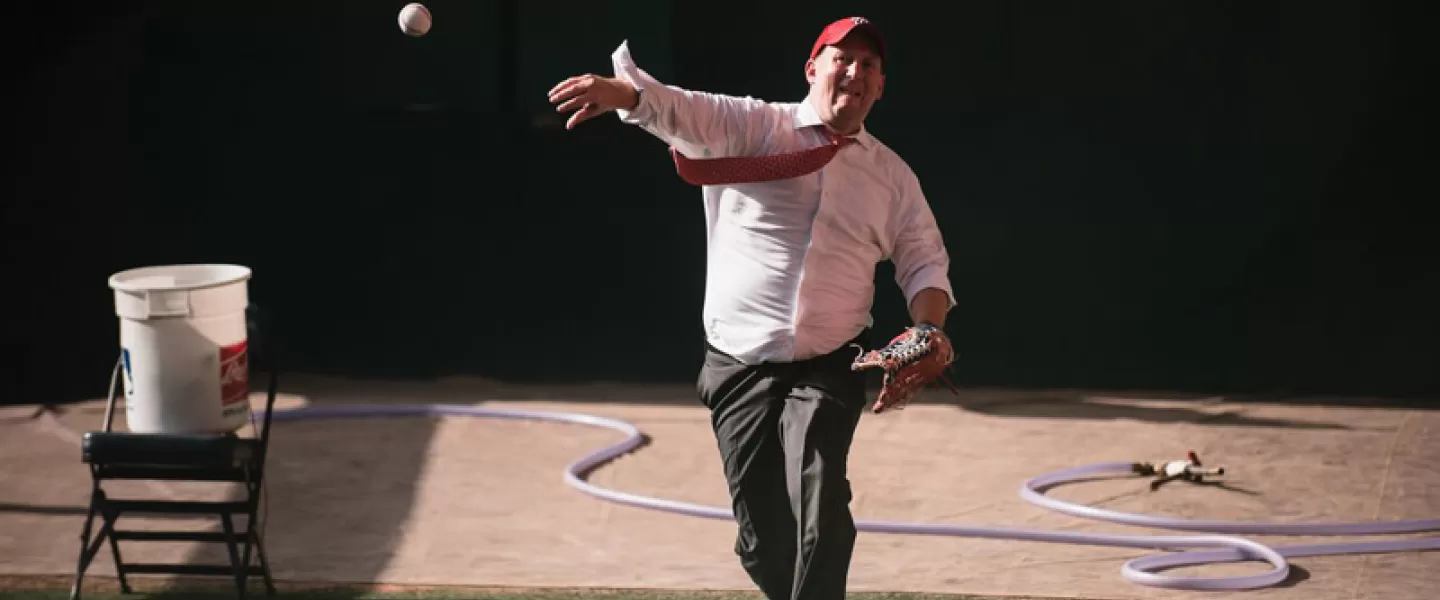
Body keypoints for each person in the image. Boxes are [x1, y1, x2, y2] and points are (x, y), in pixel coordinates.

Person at [548, 16, 956, 600]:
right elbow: (683, 111)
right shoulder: (755, 126)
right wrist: (625, 94)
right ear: (813, 68)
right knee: (762, 542)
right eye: (843, 58)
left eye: (869, 65)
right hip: (738, 364)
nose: (856, 72)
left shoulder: (892, 177)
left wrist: (927, 326)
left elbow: (924, 261)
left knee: (819, 488)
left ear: (881, 86)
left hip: (830, 363)